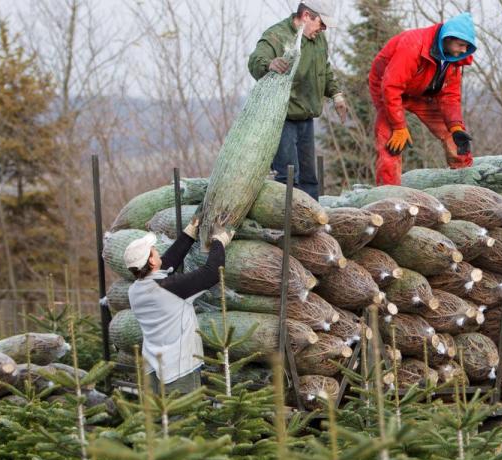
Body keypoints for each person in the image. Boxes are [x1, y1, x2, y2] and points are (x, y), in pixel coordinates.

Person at [248, 1, 348, 199]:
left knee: (309, 177)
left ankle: (311, 222)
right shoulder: (277, 35)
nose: (323, 29)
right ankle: (287, 224)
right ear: (306, 16)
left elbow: (324, 69)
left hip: (306, 117)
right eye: (321, 23)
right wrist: (269, 64)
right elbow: (255, 60)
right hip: (281, 118)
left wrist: (336, 95)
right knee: (289, 176)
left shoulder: (318, 40)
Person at [124, 217, 233, 395]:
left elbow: (165, 265)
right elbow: (212, 273)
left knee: (160, 421)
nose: (158, 252)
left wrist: (188, 235)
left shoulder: (135, 290)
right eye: (154, 251)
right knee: (182, 420)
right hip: (178, 373)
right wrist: (218, 242)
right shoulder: (171, 288)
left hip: (152, 370)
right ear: (151, 261)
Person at [368, 12, 477, 185]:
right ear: (448, 38)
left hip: (421, 93)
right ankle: (388, 195)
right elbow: (391, 87)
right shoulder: (413, 45)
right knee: (391, 142)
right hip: (389, 90)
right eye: (461, 45)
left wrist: (456, 126)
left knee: (455, 136)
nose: (464, 50)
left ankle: (465, 184)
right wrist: (399, 127)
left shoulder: (454, 58)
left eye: (466, 47)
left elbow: (450, 96)